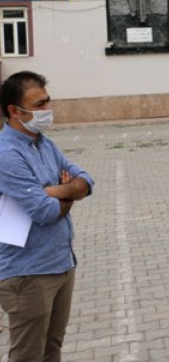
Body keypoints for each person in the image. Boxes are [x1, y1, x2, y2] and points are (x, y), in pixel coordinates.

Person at [0, 71, 94, 362]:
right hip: (28, 274)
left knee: (52, 349)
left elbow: (86, 181)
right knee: (28, 355)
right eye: (39, 105)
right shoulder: (7, 153)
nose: (46, 111)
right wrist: (66, 195)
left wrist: (54, 190)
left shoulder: (44, 144)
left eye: (47, 102)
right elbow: (44, 211)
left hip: (60, 264)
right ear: (14, 111)